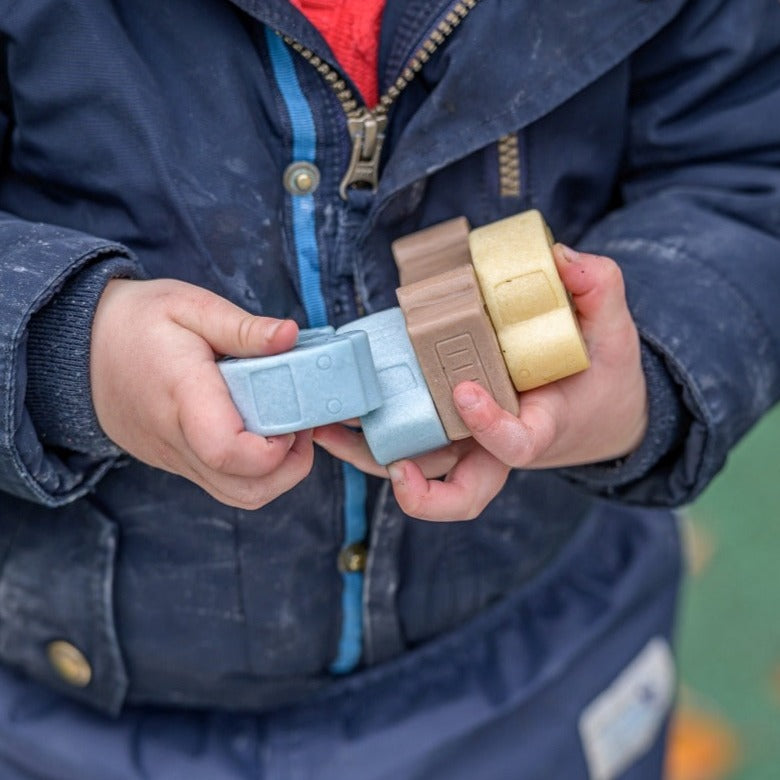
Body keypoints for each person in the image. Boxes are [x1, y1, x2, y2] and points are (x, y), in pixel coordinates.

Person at [0, 0, 778, 777]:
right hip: (70, 717)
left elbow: (747, 161)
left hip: (541, 664)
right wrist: (67, 351)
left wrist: (642, 370)